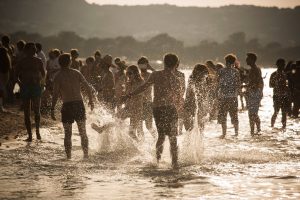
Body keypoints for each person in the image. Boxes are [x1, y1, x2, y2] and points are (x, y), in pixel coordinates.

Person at [123, 53, 181, 169]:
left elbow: (143, 87)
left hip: (157, 108)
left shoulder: (155, 74)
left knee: (161, 136)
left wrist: (130, 95)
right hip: (170, 108)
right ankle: (174, 163)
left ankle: (157, 162)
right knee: (173, 137)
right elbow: (178, 99)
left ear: (164, 62)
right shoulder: (176, 79)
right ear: (176, 64)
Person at [51, 53, 94, 159]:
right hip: (78, 104)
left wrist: (52, 108)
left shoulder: (57, 76)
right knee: (82, 132)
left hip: (67, 105)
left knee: (67, 134)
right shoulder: (76, 73)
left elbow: (55, 94)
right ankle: (86, 155)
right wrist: (91, 101)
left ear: (60, 63)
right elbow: (88, 88)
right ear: (70, 62)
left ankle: (69, 157)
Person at [15, 43, 46, 142]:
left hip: (36, 87)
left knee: (37, 111)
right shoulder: (21, 62)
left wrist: (42, 83)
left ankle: (37, 131)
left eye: (34, 49)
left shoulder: (39, 61)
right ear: (26, 51)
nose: (33, 51)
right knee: (26, 112)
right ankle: (30, 135)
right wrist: (19, 83)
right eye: (31, 49)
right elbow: (15, 75)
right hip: (25, 88)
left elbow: (43, 73)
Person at [118, 65, 145, 140]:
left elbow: (138, 93)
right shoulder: (128, 83)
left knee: (131, 132)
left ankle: (140, 148)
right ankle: (102, 129)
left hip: (137, 109)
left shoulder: (141, 82)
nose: (128, 75)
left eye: (130, 73)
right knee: (117, 119)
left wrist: (127, 96)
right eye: (127, 73)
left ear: (136, 73)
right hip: (128, 107)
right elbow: (126, 96)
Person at [217, 54, 240, 138]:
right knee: (234, 115)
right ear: (233, 62)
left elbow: (218, 83)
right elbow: (238, 84)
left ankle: (224, 133)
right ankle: (236, 133)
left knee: (223, 115)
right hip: (233, 97)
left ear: (226, 61)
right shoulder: (236, 72)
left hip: (223, 97)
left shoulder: (221, 71)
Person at [184, 64, 209, 132]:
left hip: (198, 104)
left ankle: (199, 139)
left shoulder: (204, 79)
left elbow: (205, 94)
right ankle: (190, 140)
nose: (204, 75)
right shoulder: (192, 78)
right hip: (190, 102)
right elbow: (190, 92)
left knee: (200, 125)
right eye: (203, 73)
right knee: (189, 126)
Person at [245, 52, 264, 136]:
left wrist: (250, 88)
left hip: (254, 93)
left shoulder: (255, 69)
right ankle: (256, 130)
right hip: (254, 93)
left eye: (248, 59)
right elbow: (256, 82)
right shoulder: (254, 69)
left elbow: (258, 82)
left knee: (252, 114)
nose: (246, 60)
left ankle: (253, 131)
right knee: (253, 113)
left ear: (252, 60)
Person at [137, 56, 156, 136]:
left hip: (148, 103)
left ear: (147, 65)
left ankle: (157, 140)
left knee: (149, 126)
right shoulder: (137, 76)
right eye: (140, 64)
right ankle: (140, 145)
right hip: (138, 103)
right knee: (139, 126)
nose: (141, 66)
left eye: (143, 64)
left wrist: (151, 68)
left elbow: (160, 76)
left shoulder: (150, 75)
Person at [270, 58, 290, 129]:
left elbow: (288, 85)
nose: (283, 66)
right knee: (276, 112)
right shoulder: (274, 74)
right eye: (282, 64)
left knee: (283, 113)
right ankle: (272, 126)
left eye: (283, 64)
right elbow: (270, 85)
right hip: (277, 95)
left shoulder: (286, 74)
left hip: (284, 96)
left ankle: (283, 127)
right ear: (278, 65)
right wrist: (278, 84)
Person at [174, 60, 185, 135]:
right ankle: (176, 130)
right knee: (174, 115)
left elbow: (183, 87)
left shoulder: (181, 74)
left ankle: (180, 131)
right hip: (172, 97)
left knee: (180, 114)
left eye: (177, 64)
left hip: (179, 96)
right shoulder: (180, 74)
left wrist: (180, 96)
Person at [0, 47, 11, 112]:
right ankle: (1, 106)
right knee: (2, 90)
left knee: (1, 91)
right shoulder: (7, 58)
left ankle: (1, 106)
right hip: (5, 75)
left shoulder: (3, 59)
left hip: (2, 75)